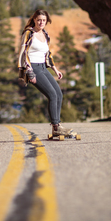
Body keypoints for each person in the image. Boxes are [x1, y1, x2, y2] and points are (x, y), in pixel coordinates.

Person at [18, 9, 72, 137]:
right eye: (39, 20)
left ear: (46, 21)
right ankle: (56, 126)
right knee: (52, 95)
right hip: (34, 68)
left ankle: (56, 127)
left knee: (59, 94)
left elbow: (48, 54)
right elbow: (23, 53)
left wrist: (55, 69)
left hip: (43, 68)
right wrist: (29, 71)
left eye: (43, 20)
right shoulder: (29, 33)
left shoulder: (45, 34)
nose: (41, 22)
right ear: (34, 20)